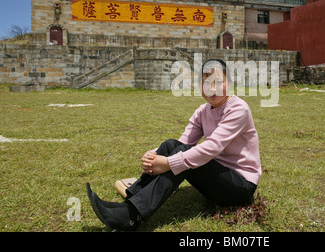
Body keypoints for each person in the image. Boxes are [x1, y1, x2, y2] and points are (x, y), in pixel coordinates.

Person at [86, 59, 261, 231]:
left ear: (229, 83)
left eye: (218, 82)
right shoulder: (202, 111)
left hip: (240, 187)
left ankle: (131, 216)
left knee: (183, 156)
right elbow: (183, 141)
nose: (212, 89)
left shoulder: (239, 109)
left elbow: (212, 147)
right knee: (170, 145)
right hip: (217, 176)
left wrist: (168, 163)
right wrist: (154, 154)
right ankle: (129, 203)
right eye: (206, 83)